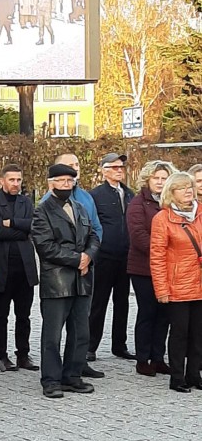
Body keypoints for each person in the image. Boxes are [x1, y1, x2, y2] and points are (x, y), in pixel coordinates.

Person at [32, 164, 100, 399]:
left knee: (81, 332)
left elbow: (93, 235)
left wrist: (88, 256)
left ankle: (72, 376)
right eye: (60, 181)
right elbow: (45, 247)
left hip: (82, 280)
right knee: (53, 335)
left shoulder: (80, 208)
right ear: (51, 183)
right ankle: (50, 379)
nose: (65, 185)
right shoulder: (42, 211)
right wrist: (77, 260)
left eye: (69, 181)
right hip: (57, 281)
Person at [150, 172, 202, 393]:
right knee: (179, 333)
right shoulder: (162, 219)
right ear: (171, 193)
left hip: (200, 283)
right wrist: (161, 289)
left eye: (189, 187)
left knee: (199, 333)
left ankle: (195, 375)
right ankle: (177, 377)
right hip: (178, 284)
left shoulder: (200, 213)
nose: (188, 191)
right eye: (182, 188)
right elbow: (157, 256)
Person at [0, 163, 39, 372]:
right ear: (2, 181)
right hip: (2, 268)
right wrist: (21, 228)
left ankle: (23, 355)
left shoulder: (26, 201)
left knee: (24, 315)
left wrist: (12, 222)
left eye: (18, 180)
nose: (16, 183)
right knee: (0, 316)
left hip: (24, 268)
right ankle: (0, 356)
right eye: (12, 180)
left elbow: (33, 226)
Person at [126, 161, 175, 377]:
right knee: (147, 313)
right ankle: (142, 359)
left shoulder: (171, 204)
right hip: (143, 268)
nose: (160, 182)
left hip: (167, 269)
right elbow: (138, 236)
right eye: (156, 178)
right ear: (147, 180)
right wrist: (163, 252)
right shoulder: (138, 203)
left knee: (164, 314)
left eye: (164, 178)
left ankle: (158, 358)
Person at [88, 153, 136, 361]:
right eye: (114, 167)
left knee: (122, 302)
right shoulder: (96, 195)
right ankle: (90, 346)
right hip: (104, 256)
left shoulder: (128, 194)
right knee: (98, 302)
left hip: (126, 256)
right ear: (104, 170)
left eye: (121, 167)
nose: (119, 170)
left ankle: (119, 344)